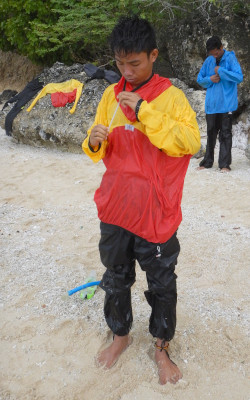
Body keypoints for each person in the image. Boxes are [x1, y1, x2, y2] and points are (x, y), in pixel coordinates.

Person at [82, 15, 200, 385]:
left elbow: (190, 142)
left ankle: (161, 346)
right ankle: (120, 334)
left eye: (134, 63)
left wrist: (144, 112)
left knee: (162, 283)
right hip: (116, 207)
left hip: (156, 212)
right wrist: (95, 140)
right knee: (116, 277)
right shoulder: (109, 95)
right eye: (119, 63)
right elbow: (98, 150)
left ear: (153, 56)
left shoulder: (172, 97)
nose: (126, 71)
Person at [197, 35, 243, 172]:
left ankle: (224, 165)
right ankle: (207, 162)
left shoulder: (230, 58)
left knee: (225, 134)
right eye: (211, 53)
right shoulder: (209, 61)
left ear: (221, 48)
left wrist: (221, 71)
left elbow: (239, 77)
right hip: (211, 105)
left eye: (216, 53)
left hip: (226, 104)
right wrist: (210, 79)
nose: (214, 56)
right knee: (210, 133)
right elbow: (200, 79)